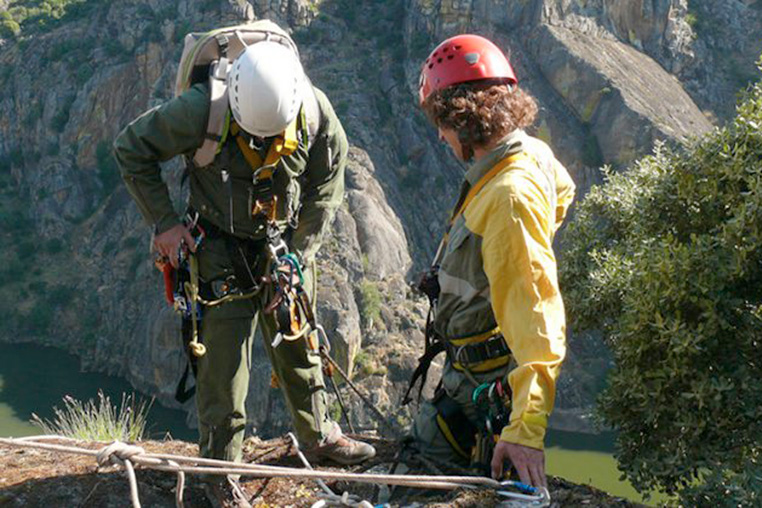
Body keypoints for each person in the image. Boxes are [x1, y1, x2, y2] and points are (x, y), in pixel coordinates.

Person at [113, 20, 375, 506]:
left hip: (282, 243)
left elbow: (326, 186)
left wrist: (299, 254)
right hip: (216, 245)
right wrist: (165, 224)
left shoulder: (313, 111)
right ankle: (219, 468)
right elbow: (132, 148)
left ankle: (318, 435)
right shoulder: (200, 111)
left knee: (297, 337)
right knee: (223, 364)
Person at [408, 34, 575, 489]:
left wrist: (524, 432)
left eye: (441, 123)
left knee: (421, 484)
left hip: (486, 392)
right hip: (471, 374)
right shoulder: (529, 154)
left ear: (462, 119)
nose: (440, 136)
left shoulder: (509, 199)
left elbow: (538, 321)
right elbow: (563, 190)